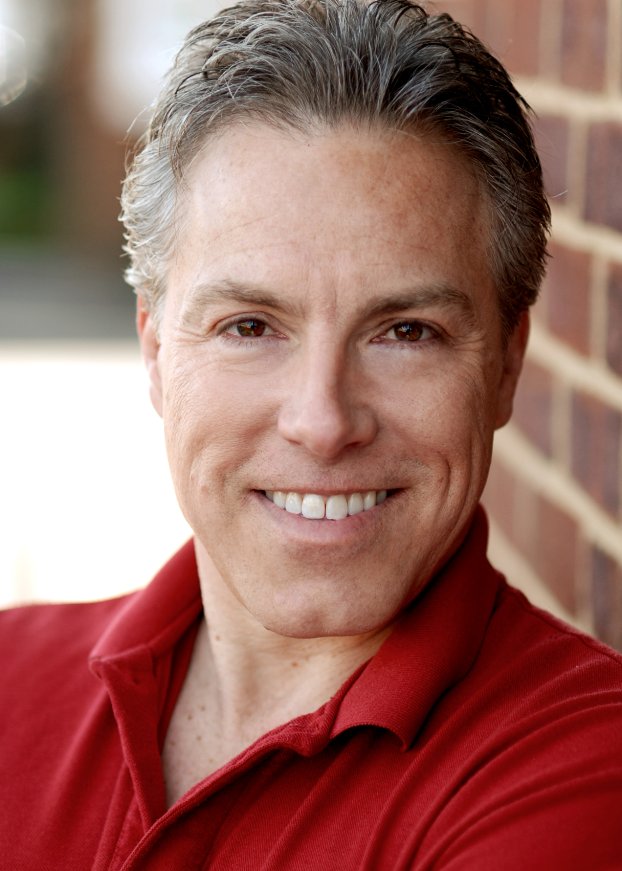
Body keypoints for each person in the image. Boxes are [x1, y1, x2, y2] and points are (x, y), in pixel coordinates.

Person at [1, 0, 621, 868]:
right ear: (155, 351)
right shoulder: (9, 676)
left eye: (405, 331)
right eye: (251, 326)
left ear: (507, 365)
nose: (323, 422)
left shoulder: (580, 767)